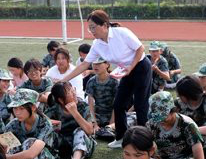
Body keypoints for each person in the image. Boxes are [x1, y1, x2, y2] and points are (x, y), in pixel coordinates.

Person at [59, 10, 151, 149]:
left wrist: (131, 67)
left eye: (93, 27)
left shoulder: (121, 33)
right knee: (119, 104)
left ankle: (145, 141)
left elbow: (140, 48)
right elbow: (85, 64)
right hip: (125, 71)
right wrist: (63, 80)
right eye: (89, 28)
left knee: (140, 104)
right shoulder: (97, 44)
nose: (91, 31)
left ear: (104, 25)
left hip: (140, 67)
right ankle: (121, 138)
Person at [4, 89, 61, 159]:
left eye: (21, 108)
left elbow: (31, 154)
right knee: (10, 147)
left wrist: (5, 158)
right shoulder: (12, 125)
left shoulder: (45, 124)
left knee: (31, 142)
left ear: (33, 107)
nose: (17, 112)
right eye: (15, 108)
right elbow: (6, 149)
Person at [46, 83, 96, 159]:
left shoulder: (83, 106)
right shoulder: (54, 109)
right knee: (48, 132)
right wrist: (50, 123)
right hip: (63, 144)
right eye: (70, 93)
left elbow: (90, 130)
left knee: (80, 131)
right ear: (61, 100)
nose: (74, 94)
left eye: (74, 91)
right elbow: (42, 121)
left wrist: (75, 112)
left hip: (83, 144)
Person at [85, 57, 118, 140]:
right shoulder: (91, 81)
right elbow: (90, 104)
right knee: (85, 115)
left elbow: (117, 104)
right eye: (94, 64)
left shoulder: (114, 81)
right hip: (98, 115)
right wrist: (94, 123)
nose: (96, 66)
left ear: (107, 64)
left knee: (130, 117)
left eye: (99, 64)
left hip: (114, 114)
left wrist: (111, 123)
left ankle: (108, 129)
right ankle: (100, 130)